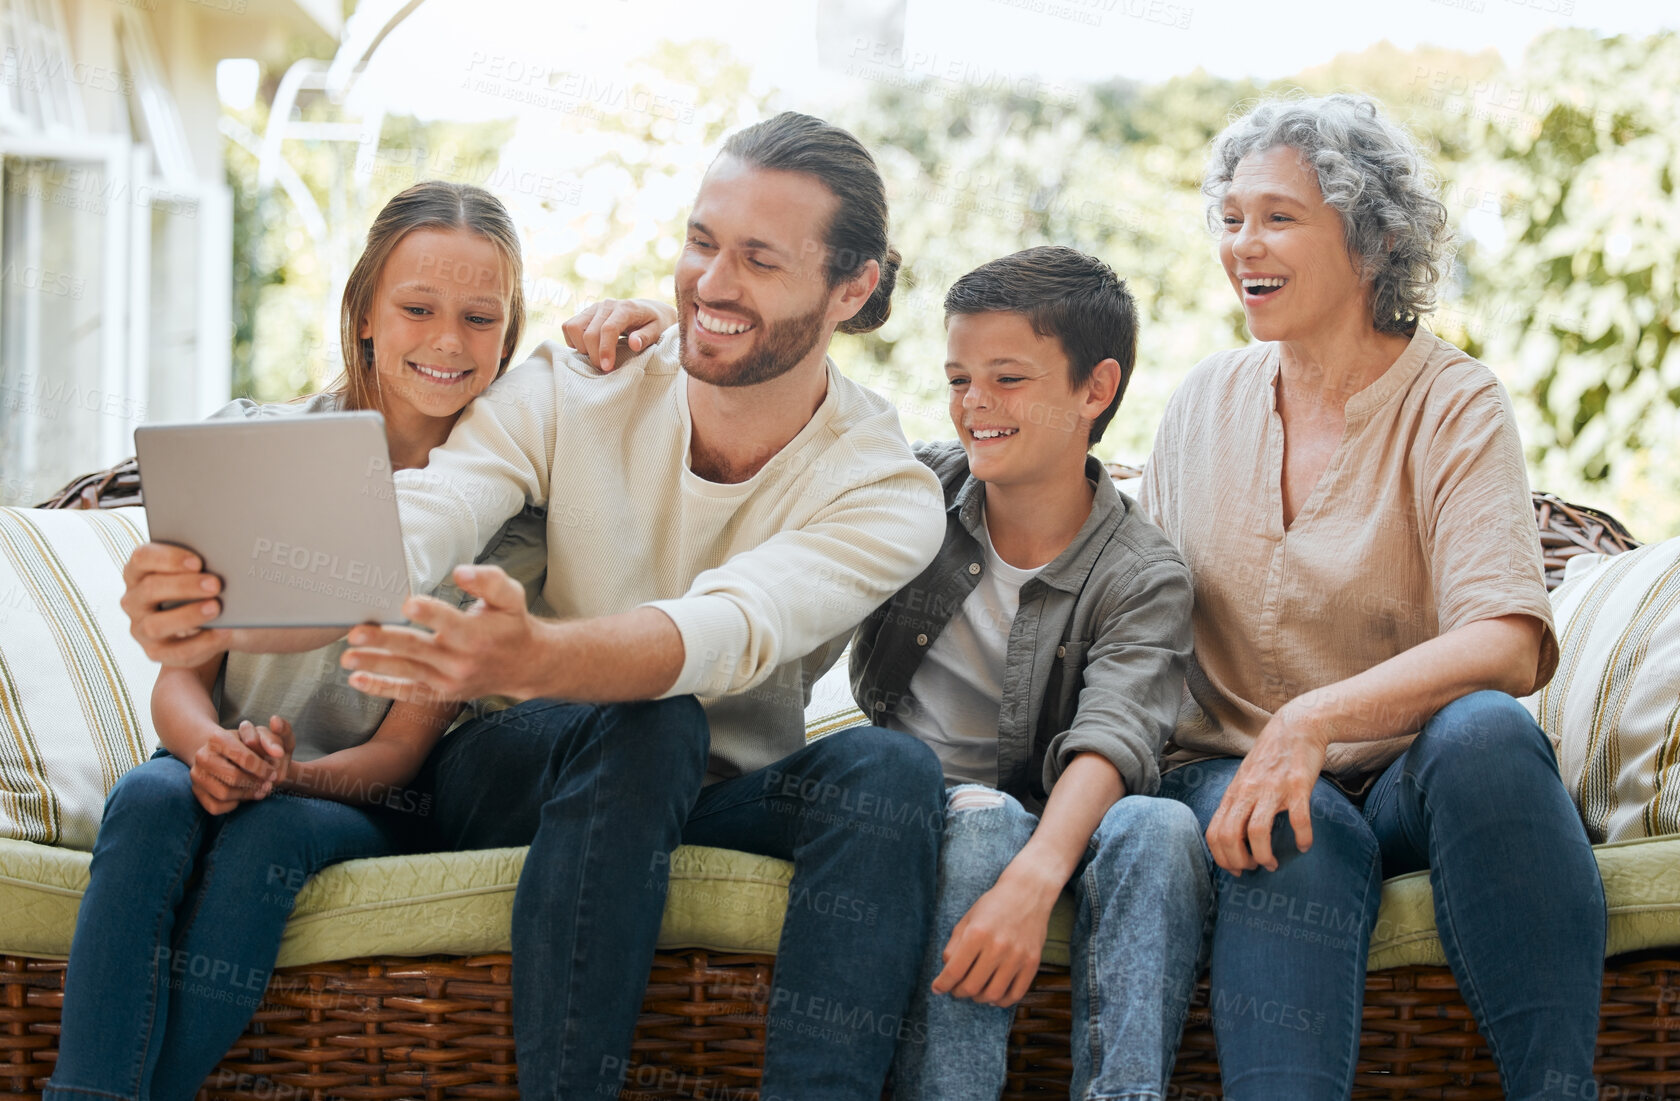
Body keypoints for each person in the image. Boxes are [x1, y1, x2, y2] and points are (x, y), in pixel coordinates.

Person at [121, 112, 949, 1101]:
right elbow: (419, 522)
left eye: (759, 259)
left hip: (716, 783)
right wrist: (220, 612)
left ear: (851, 287)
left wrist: (517, 653)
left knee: (887, 767)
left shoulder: (883, 490)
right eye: (700, 242)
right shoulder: (576, 383)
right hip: (521, 767)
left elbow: (723, 628)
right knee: (644, 723)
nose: (711, 284)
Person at [1141, 93, 1605, 1097]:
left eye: (1276, 216)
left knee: (1485, 731)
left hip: (1401, 775)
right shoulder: (1199, 403)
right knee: (1289, 815)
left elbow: (1508, 641)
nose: (1240, 244)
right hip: (1225, 767)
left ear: (1372, 236)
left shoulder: (1452, 400)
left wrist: (1313, 717)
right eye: (1228, 217)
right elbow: (1132, 622)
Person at [50, 181, 553, 1101]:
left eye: (480, 317)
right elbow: (181, 681)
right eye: (417, 308)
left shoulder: (510, 518)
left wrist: (285, 775)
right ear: (364, 313)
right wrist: (213, 753)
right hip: (210, 756)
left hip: (366, 797)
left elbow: (402, 750)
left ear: (508, 335)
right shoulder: (253, 446)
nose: (448, 340)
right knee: (148, 799)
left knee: (269, 830)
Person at [847, 246, 1209, 1100]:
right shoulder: (915, 486)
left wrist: (1035, 880)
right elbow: (791, 416)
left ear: (1096, 388)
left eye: (1006, 378)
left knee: (1159, 827)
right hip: (919, 806)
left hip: (1052, 817)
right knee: (981, 822)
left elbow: (1115, 738)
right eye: (958, 377)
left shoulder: (1143, 571)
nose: (975, 403)